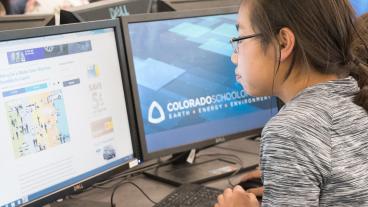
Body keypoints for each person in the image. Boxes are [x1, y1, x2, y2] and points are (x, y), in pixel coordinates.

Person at [215, 0, 368, 206]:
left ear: (283, 43)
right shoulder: (355, 99)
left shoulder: (289, 130)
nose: (235, 57)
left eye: (240, 39)